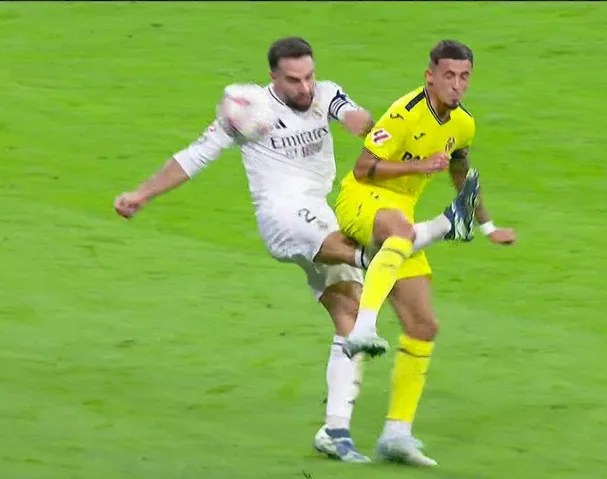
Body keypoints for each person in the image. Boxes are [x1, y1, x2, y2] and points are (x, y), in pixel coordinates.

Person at [113, 37, 478, 464]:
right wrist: (142, 194)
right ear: (273, 77)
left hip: (321, 212)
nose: (304, 88)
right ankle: (441, 226)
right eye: (293, 80)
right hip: (283, 217)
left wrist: (360, 120)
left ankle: (335, 430)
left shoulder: (324, 93)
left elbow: (351, 113)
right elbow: (195, 156)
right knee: (372, 249)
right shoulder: (249, 110)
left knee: (351, 310)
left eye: (308, 77)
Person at [334, 39, 517, 466]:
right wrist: (420, 166)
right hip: (361, 201)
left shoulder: (463, 125)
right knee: (400, 230)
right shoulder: (403, 113)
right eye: (449, 75)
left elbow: (460, 173)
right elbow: (363, 169)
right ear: (429, 75)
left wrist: (488, 225)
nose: (457, 85)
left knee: (423, 325)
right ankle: (364, 325)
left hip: (400, 218)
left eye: (464, 76)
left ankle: (396, 434)